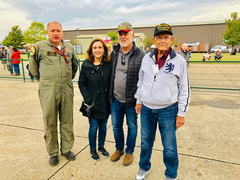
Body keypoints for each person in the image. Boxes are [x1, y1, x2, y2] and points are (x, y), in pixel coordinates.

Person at [135, 23, 190, 180]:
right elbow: (141, 81)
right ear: (154, 39)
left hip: (168, 110)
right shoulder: (147, 58)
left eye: (166, 37)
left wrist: (181, 113)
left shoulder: (179, 61)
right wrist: (139, 100)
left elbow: (184, 89)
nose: (163, 41)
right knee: (145, 143)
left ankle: (171, 174)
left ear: (171, 39)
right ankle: (144, 167)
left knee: (169, 147)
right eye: (159, 37)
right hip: (146, 109)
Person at [29, 21, 78, 166]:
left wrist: (66, 81)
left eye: (58, 31)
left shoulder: (69, 47)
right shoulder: (39, 47)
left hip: (66, 89)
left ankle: (67, 149)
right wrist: (45, 81)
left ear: (62, 32)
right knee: (50, 121)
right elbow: (33, 67)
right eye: (52, 31)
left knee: (67, 120)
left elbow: (74, 66)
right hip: (48, 90)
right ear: (47, 32)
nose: (56, 33)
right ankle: (53, 152)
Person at [109, 22, 145, 166]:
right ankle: (119, 149)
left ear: (132, 35)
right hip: (115, 99)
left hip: (132, 100)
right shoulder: (114, 53)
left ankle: (129, 151)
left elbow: (145, 79)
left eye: (126, 33)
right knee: (116, 126)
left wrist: (139, 99)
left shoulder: (141, 55)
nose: (123, 36)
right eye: (120, 34)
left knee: (132, 126)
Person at [78, 38, 111, 161]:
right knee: (93, 127)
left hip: (105, 102)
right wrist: (88, 98)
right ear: (91, 50)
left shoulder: (108, 64)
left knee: (103, 126)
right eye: (95, 47)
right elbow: (82, 83)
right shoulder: (86, 65)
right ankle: (92, 149)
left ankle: (101, 147)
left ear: (104, 50)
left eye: (100, 47)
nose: (97, 50)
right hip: (92, 102)